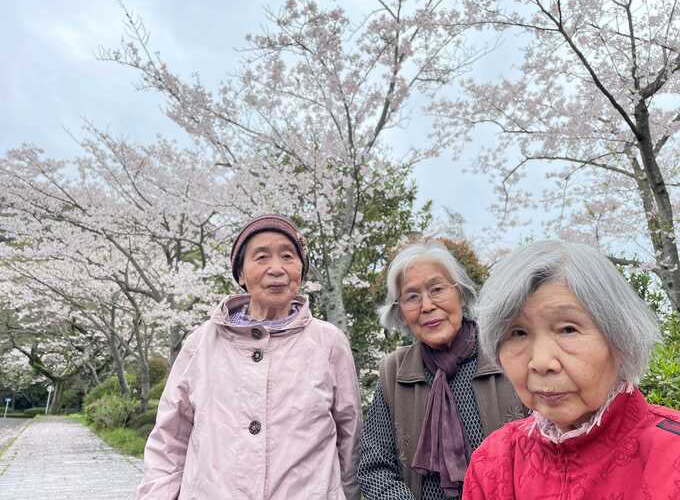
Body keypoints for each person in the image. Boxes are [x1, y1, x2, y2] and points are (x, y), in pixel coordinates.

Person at [136, 214, 362, 500]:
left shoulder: (329, 343)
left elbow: (349, 435)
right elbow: (170, 437)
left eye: (288, 256)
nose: (276, 269)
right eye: (262, 257)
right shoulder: (201, 343)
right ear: (240, 274)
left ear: (301, 271)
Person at [464, 240, 680, 499]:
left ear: (621, 339)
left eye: (568, 329)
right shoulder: (494, 461)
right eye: (518, 333)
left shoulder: (671, 454)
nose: (541, 362)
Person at [358, 241, 527, 500]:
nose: (427, 306)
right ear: (401, 311)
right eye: (412, 297)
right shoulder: (394, 371)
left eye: (437, 289)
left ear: (461, 293)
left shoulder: (506, 354)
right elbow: (374, 465)